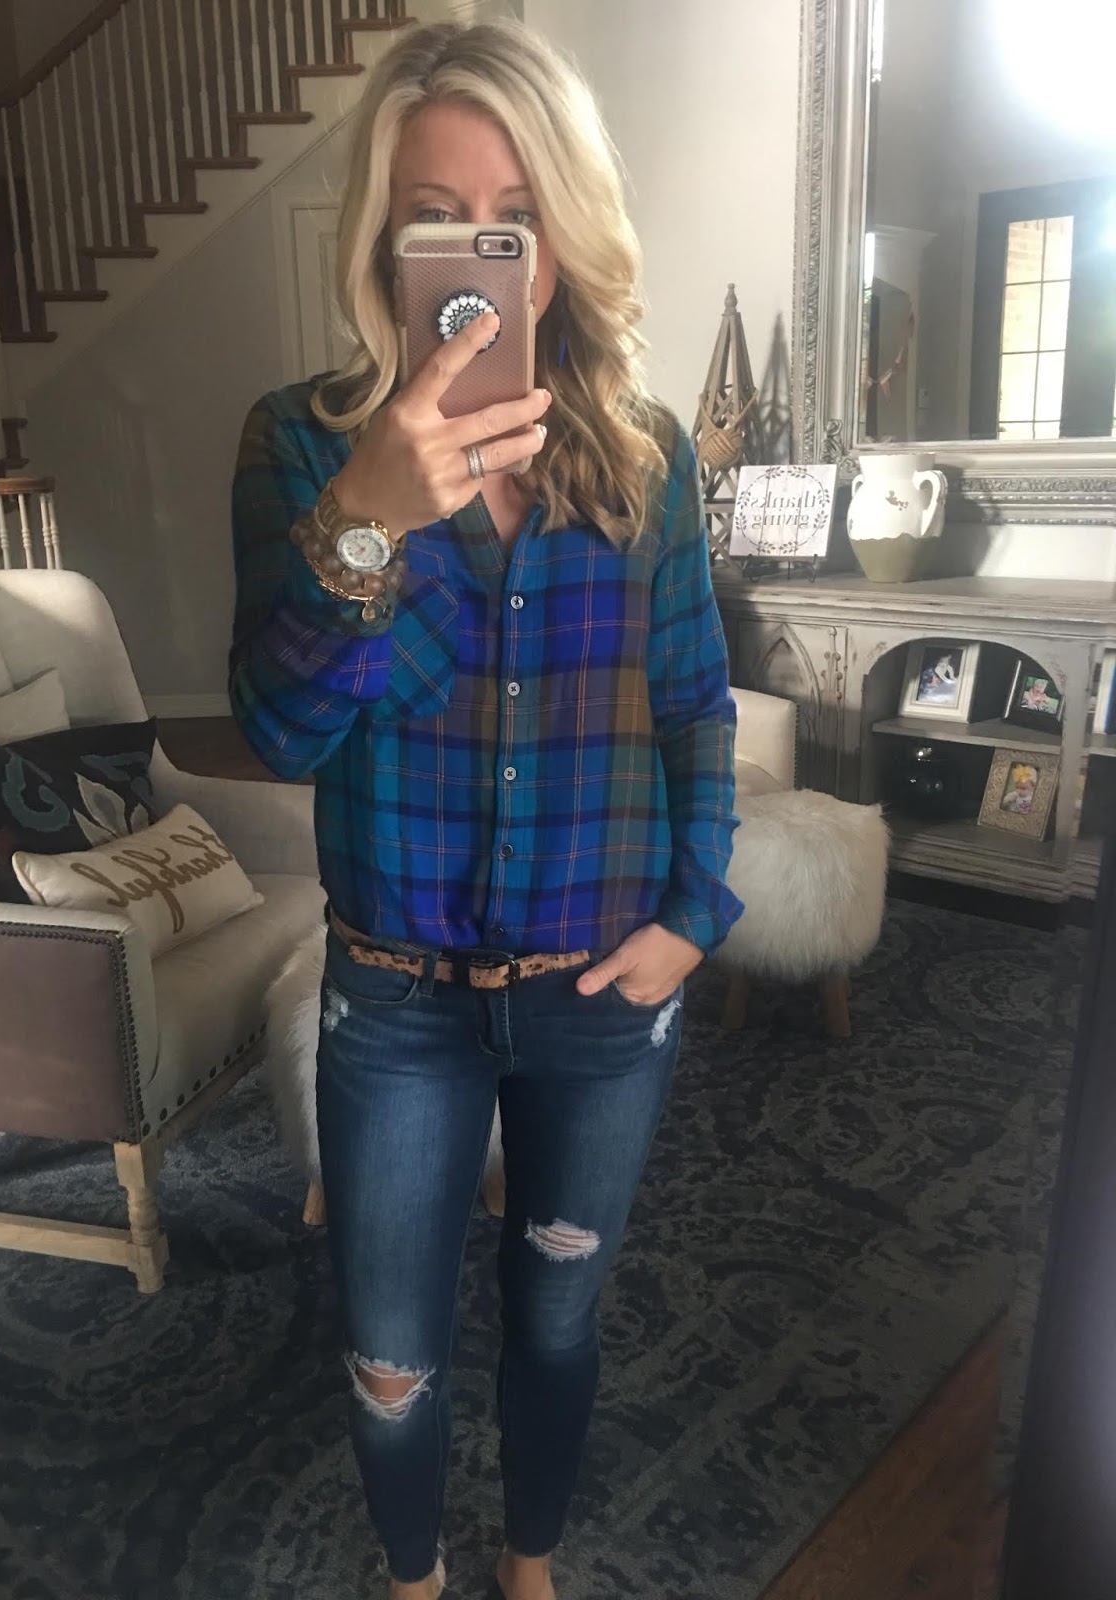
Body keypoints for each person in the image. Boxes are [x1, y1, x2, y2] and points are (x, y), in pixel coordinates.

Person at [229, 20, 742, 1600]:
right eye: (435, 216)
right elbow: (282, 730)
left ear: (564, 235)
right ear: (382, 240)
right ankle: (417, 1584)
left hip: (603, 998)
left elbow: (693, 702)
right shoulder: (303, 445)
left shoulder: (646, 458)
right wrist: (369, 524)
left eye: (513, 217)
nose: (476, 255)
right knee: (390, 1354)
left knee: (560, 1317)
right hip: (395, 1005)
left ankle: (529, 1573)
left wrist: (694, 916)